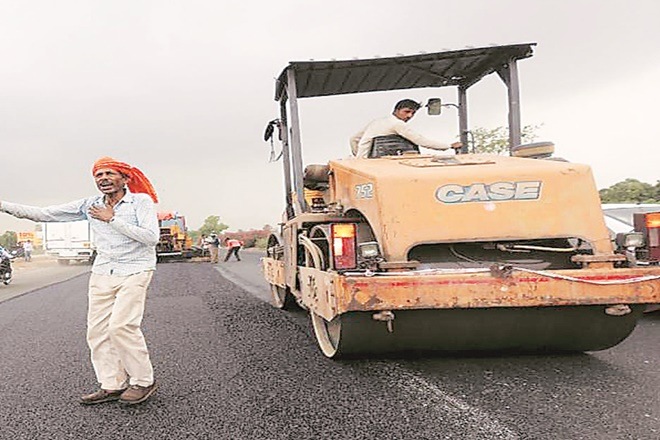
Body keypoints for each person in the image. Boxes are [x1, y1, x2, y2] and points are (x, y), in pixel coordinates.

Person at [0, 157, 160, 406]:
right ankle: (112, 384)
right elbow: (44, 214)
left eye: (109, 173)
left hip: (136, 269)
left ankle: (143, 381)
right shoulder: (90, 204)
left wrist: (112, 219)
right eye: (99, 175)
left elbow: (151, 238)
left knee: (121, 327)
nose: (103, 179)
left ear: (125, 178)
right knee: (97, 331)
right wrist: (2, 205)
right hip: (103, 271)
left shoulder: (141, 202)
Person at [349, 99, 462, 158]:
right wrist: (449, 146)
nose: (409, 116)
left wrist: (360, 156)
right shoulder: (397, 124)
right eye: (406, 112)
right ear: (396, 110)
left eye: (413, 113)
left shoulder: (377, 122)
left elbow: (353, 139)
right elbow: (421, 141)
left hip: (364, 164)